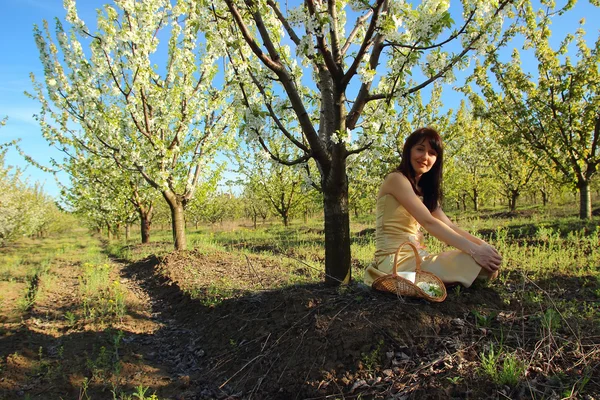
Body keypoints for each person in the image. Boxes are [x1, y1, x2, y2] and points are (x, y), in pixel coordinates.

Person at [364, 127, 502, 289]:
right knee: (475, 262)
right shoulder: (396, 179)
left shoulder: (424, 190)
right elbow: (428, 222)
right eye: (420, 149)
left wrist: (482, 246)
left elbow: (449, 226)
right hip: (393, 260)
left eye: (432, 153)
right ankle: (428, 282)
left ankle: (435, 282)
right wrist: (474, 251)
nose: (425, 157)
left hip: (418, 257)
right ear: (409, 151)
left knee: (486, 266)